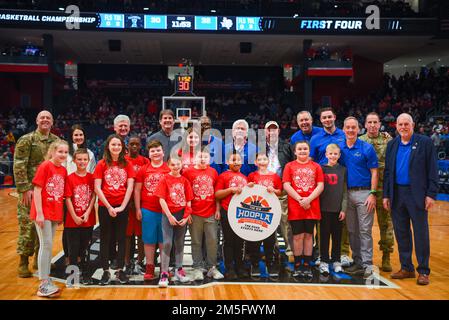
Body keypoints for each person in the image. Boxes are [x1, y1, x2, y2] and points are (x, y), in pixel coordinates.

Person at [383, 113, 438, 286]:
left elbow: (433, 169)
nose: (403, 127)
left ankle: (423, 270)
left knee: (421, 233)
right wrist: (386, 195)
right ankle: (406, 267)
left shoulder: (425, 143)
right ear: (396, 126)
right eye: (400, 124)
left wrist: (431, 194)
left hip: (418, 195)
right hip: (397, 194)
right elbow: (387, 172)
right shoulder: (392, 144)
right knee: (401, 233)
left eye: (407, 124)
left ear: (413, 124)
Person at [13, 110, 59, 278]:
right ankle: (23, 261)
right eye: (42, 118)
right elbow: (19, 165)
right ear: (37, 121)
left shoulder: (57, 141)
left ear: (52, 122)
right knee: (27, 227)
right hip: (31, 192)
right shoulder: (27, 140)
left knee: (45, 228)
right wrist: (24, 189)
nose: (45, 120)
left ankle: (39, 260)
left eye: (48, 118)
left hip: (49, 194)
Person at [339, 117, 378, 278]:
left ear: (358, 129)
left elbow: (374, 172)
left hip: (364, 193)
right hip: (347, 194)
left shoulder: (367, 148)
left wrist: (373, 194)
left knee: (365, 230)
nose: (350, 130)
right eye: (347, 127)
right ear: (343, 129)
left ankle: (367, 264)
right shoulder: (340, 149)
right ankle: (357, 262)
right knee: (352, 230)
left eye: (353, 127)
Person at [94, 134, 135, 285]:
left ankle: (120, 270)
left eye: (119, 145)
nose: (116, 147)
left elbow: (130, 186)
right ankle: (105, 270)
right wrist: (110, 207)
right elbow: (97, 188)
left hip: (122, 207)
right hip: (105, 207)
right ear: (108, 147)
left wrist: (123, 206)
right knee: (105, 238)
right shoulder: (101, 164)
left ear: (122, 147)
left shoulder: (127, 164)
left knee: (122, 238)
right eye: (113, 145)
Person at [30, 140, 69, 297]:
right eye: (60, 152)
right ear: (52, 151)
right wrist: (39, 213)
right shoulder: (45, 166)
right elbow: (37, 190)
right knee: (45, 245)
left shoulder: (63, 170)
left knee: (49, 244)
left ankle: (46, 280)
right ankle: (43, 283)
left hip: (54, 212)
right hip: (43, 212)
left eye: (66, 152)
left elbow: (59, 194)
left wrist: (59, 215)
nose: (63, 155)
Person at [283, 141, 324, 278]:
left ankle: (307, 265)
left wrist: (308, 200)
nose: (302, 151)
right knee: (297, 236)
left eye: (305, 149)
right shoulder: (289, 166)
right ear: (295, 152)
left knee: (308, 236)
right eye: (299, 149)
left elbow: (320, 186)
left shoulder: (316, 166)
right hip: (296, 206)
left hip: (312, 206)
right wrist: (300, 199)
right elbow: (287, 185)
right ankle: (297, 265)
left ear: (309, 151)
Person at [359, 112, 394, 272]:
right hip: (365, 190)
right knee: (362, 227)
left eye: (375, 122)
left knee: (386, 225)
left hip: (384, 190)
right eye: (369, 122)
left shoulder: (389, 140)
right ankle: (361, 257)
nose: (372, 125)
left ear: (380, 124)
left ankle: (386, 255)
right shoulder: (360, 141)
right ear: (365, 125)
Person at [183, 148, 224, 281]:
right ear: (195, 158)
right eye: (200, 156)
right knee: (196, 241)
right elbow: (184, 193)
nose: (202, 159)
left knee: (212, 240)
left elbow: (217, 193)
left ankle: (212, 267)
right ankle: (197, 267)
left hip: (210, 212)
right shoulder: (188, 172)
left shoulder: (213, 172)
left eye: (205, 157)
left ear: (209, 159)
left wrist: (217, 209)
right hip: (194, 212)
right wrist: (187, 212)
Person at [155, 156, 194, 287]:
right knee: (167, 243)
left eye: (178, 164)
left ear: (181, 165)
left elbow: (189, 200)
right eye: (173, 165)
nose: (176, 167)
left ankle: (179, 269)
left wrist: (186, 216)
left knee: (180, 242)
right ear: (168, 165)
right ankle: (164, 273)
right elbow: (161, 199)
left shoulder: (185, 181)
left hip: (182, 214)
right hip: (168, 215)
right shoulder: (164, 179)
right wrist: (170, 216)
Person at [134, 140, 170, 281]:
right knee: (149, 240)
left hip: (164, 211)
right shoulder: (144, 169)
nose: (155, 153)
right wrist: (138, 208)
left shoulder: (168, 169)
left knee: (163, 240)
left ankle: (164, 268)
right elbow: (137, 190)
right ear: (149, 154)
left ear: (163, 152)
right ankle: (149, 266)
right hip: (148, 209)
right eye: (152, 151)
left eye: (158, 150)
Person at [63, 124, 96, 266]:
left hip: (85, 193)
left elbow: (92, 173)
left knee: (85, 232)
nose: (78, 137)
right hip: (69, 192)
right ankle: (68, 256)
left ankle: (81, 258)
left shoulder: (90, 153)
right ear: (71, 136)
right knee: (68, 229)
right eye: (76, 135)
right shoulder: (66, 153)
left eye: (81, 135)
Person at [247, 153, 283, 276]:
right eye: (259, 159)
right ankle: (255, 264)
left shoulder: (275, 176)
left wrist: (274, 190)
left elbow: (280, 192)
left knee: (270, 240)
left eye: (264, 159)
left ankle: (270, 264)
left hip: (270, 213)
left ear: (268, 161)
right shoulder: (252, 176)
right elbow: (246, 192)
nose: (262, 161)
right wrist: (249, 186)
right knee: (255, 240)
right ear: (256, 162)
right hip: (256, 213)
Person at [215, 152, 248, 280]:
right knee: (229, 241)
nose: (236, 162)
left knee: (240, 241)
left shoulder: (245, 178)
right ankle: (229, 268)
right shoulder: (223, 176)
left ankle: (240, 266)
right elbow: (217, 194)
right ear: (227, 162)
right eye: (233, 159)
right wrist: (230, 190)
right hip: (226, 211)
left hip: (241, 213)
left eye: (238, 159)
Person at [264, 120, 294, 259]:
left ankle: (290, 250)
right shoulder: (259, 147)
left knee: (285, 221)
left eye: (274, 129)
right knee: (267, 222)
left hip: (282, 189)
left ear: (278, 131)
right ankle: (273, 250)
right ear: (265, 132)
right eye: (269, 130)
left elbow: (293, 166)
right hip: (264, 190)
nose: (272, 132)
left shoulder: (287, 146)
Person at [319, 144, 347, 275]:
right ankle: (324, 261)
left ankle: (336, 260)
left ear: (339, 155)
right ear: (326, 155)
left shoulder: (343, 170)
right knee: (323, 236)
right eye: (330, 154)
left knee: (337, 237)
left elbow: (345, 191)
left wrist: (343, 209)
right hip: (323, 209)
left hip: (337, 210)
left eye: (336, 154)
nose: (333, 156)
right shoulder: (321, 169)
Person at [124, 136, 149, 275]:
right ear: (127, 146)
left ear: (140, 146)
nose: (134, 146)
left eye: (137, 144)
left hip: (141, 203)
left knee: (141, 235)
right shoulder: (123, 161)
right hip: (126, 204)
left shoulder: (145, 161)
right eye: (131, 144)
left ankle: (140, 261)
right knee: (127, 235)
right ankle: (127, 262)